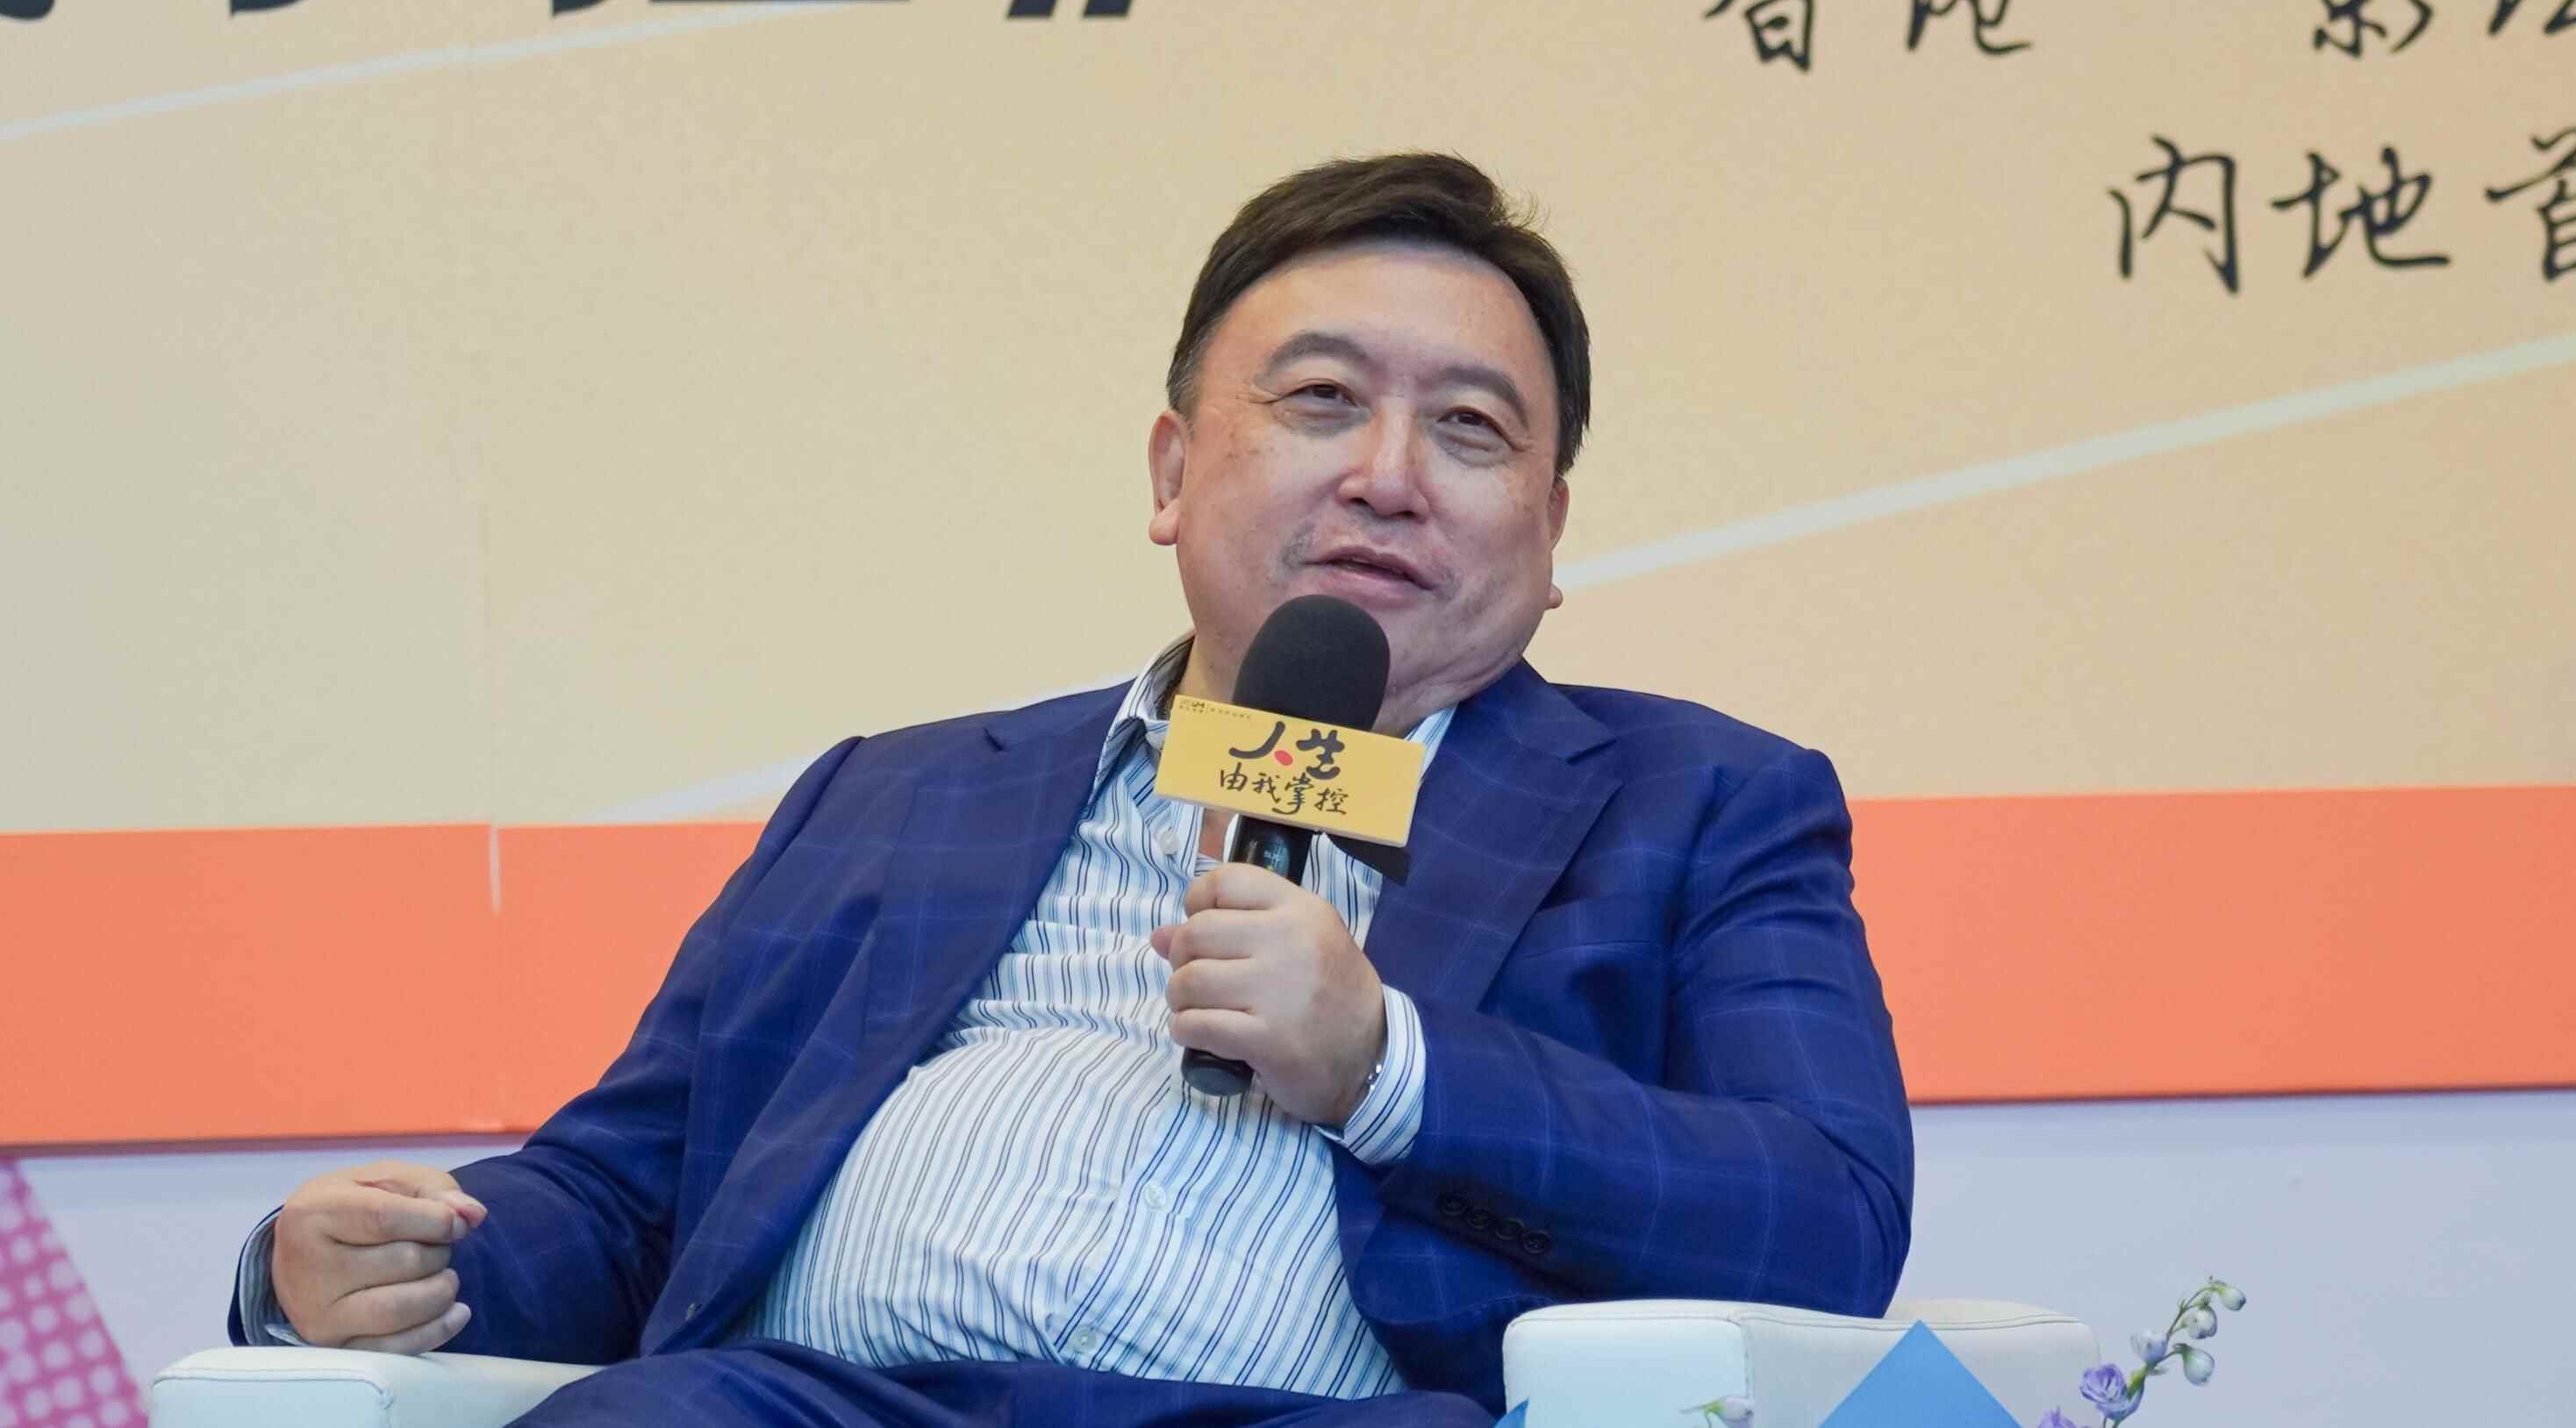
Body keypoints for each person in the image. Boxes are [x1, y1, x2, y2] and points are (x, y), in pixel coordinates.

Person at [229, 153, 1912, 1425]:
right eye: (1322, 400)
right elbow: (629, 1193)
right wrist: (376, 1264)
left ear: (1549, 537)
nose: (1387, 475)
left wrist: (1386, 1065)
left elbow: (1827, 1218)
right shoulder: (894, 795)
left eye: (1471, 429)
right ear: (1175, 471)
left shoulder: (1702, 804)